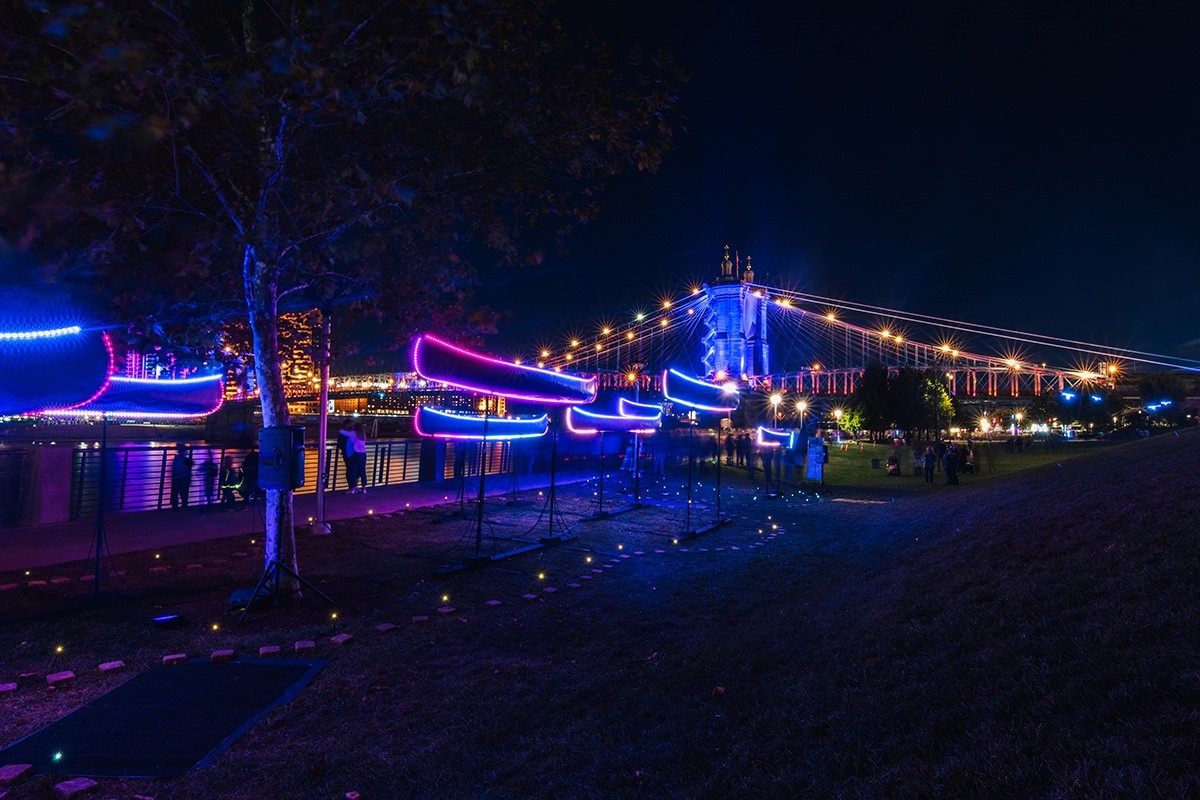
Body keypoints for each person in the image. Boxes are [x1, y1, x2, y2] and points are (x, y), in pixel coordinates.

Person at [170, 445, 193, 509]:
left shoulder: (177, 459)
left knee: (176, 492)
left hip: (178, 477)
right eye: (186, 450)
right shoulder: (185, 459)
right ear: (183, 451)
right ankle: (184, 505)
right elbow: (190, 466)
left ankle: (175, 506)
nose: (187, 452)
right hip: (183, 478)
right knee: (184, 492)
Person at [348, 422, 368, 493]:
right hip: (363, 454)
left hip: (355, 454)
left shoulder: (353, 434)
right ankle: (364, 488)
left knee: (353, 471)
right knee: (362, 471)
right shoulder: (363, 435)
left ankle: (352, 489)